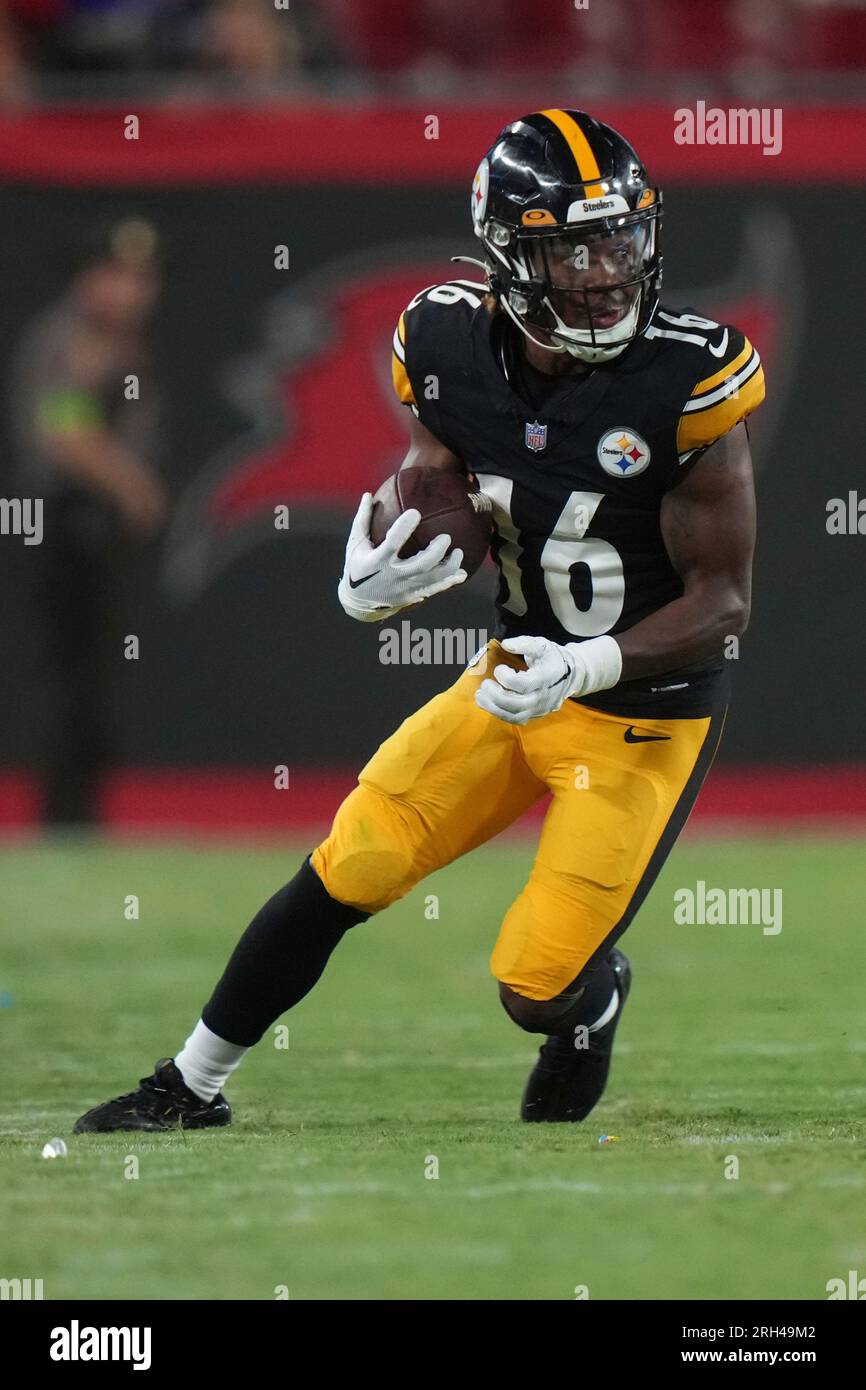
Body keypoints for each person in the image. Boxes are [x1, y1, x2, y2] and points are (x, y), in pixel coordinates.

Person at [74, 110, 763, 1131]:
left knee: (532, 982)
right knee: (351, 858)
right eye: (572, 248)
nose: (606, 270)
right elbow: (440, 473)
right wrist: (380, 557)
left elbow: (723, 599)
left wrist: (585, 667)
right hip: (509, 676)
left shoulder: (687, 378)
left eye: (619, 238)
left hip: (641, 716)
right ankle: (188, 1085)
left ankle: (591, 1000)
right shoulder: (442, 338)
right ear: (507, 256)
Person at [11, 216, 166, 825]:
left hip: (99, 532)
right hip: (64, 525)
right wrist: (130, 484)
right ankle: (61, 814)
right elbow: (63, 430)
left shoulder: (126, 346)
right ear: (87, 281)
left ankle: (83, 812)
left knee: (98, 675)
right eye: (117, 276)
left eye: (142, 278)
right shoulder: (70, 342)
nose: (132, 292)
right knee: (70, 673)